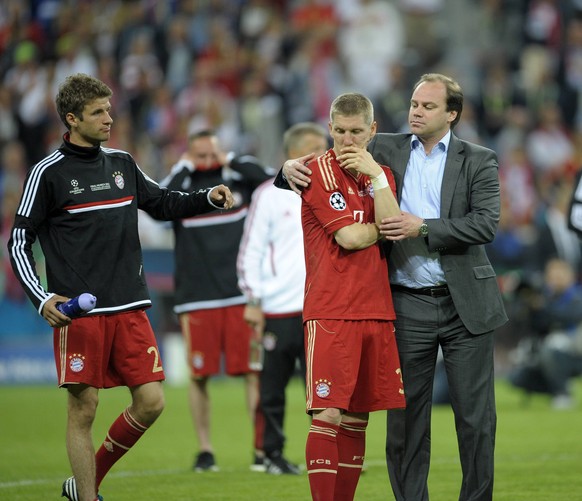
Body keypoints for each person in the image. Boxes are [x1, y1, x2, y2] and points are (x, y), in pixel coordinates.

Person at [278, 73, 508, 501]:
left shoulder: (479, 159)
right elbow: (326, 156)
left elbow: (485, 224)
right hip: (405, 303)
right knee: (405, 420)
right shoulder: (383, 148)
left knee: (476, 420)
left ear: (451, 114)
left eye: (427, 107)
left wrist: (425, 227)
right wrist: (286, 168)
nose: (416, 112)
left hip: (466, 306)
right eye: (414, 104)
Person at [6, 73, 234, 501]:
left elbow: (163, 203)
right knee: (83, 408)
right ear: (72, 119)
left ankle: (85, 481)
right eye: (98, 112)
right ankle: (88, 498)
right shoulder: (47, 173)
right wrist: (42, 297)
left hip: (130, 306)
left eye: (109, 109)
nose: (109, 118)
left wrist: (207, 198)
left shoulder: (122, 163)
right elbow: (19, 240)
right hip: (82, 313)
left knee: (151, 402)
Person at [297, 92, 405, 501]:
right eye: (339, 131)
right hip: (332, 310)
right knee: (328, 414)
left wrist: (377, 179)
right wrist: (385, 226)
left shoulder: (383, 175)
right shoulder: (316, 171)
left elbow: (390, 218)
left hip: (376, 310)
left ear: (372, 130)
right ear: (329, 129)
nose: (346, 141)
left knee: (358, 421)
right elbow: (351, 236)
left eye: (356, 132)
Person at [160, 129, 273, 472]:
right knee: (199, 376)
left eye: (212, 155)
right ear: (189, 156)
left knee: (253, 374)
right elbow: (158, 203)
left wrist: (231, 160)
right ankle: (205, 450)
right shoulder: (182, 190)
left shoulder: (240, 180)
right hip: (197, 297)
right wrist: (183, 166)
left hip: (241, 293)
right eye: (200, 155)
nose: (208, 162)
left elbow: (270, 181)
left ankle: (260, 449)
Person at [236, 122, 328, 475]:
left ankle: (328, 453)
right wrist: (254, 300)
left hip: (321, 308)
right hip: (277, 309)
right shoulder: (268, 195)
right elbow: (251, 251)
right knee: (272, 389)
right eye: (314, 148)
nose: (322, 155)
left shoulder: (336, 190)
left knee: (325, 388)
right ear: (293, 153)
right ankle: (271, 454)